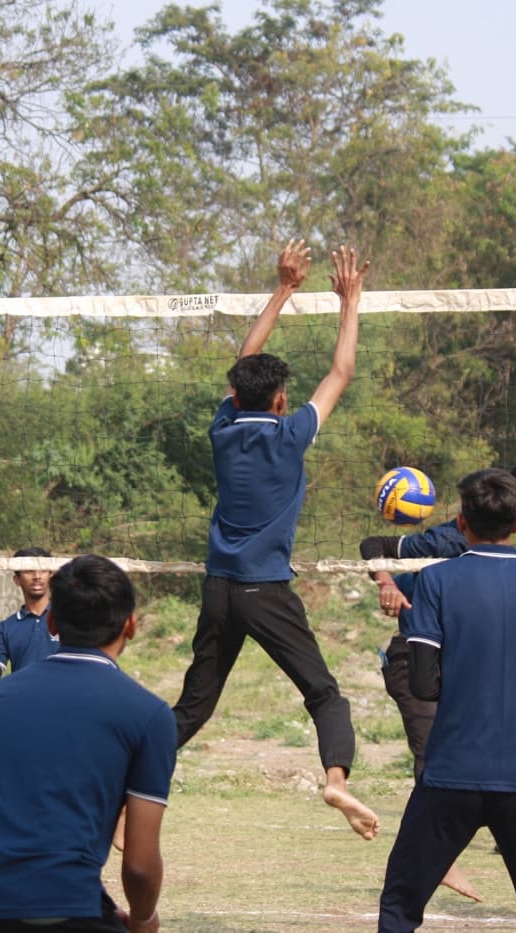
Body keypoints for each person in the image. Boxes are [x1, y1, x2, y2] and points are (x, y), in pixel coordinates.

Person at [171, 239, 379, 840]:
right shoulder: (290, 437)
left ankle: (120, 773)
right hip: (266, 591)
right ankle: (335, 777)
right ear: (282, 400)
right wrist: (350, 301)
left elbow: (245, 358)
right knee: (324, 694)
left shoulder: (223, 430)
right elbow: (342, 371)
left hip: (218, 590)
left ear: (235, 398)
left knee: (195, 707)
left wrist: (284, 288)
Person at [359, 416, 516, 900]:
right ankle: (441, 857)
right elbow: (372, 545)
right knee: (433, 751)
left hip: (469, 668)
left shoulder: (505, 554)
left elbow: (504, 486)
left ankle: (459, 845)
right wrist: (387, 581)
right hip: (415, 657)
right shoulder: (438, 543)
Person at [0, 554, 175, 932]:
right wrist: (144, 918)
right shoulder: (149, 714)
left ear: (52, 622)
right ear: (131, 625)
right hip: (54, 902)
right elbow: (140, 865)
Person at [0, 546, 56, 685]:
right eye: (29, 571)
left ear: (51, 575)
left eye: (43, 570)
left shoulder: (69, 619)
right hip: (24, 703)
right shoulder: (6, 628)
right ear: (17, 580)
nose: (37, 576)